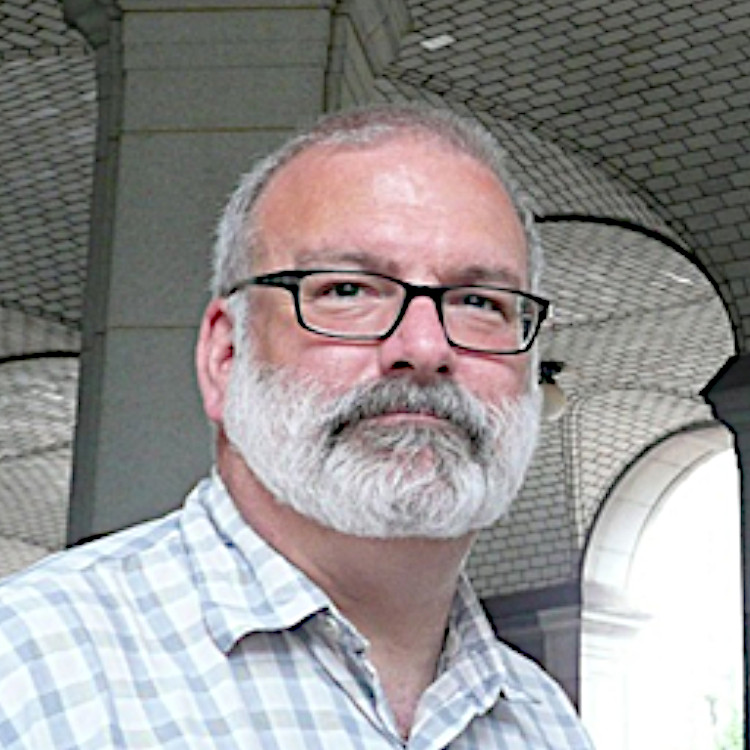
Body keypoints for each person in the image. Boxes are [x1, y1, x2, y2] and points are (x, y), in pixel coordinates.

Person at [0, 103, 594, 748]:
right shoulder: (29, 671)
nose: (424, 347)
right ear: (224, 356)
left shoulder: (544, 724)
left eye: (480, 303)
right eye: (347, 290)